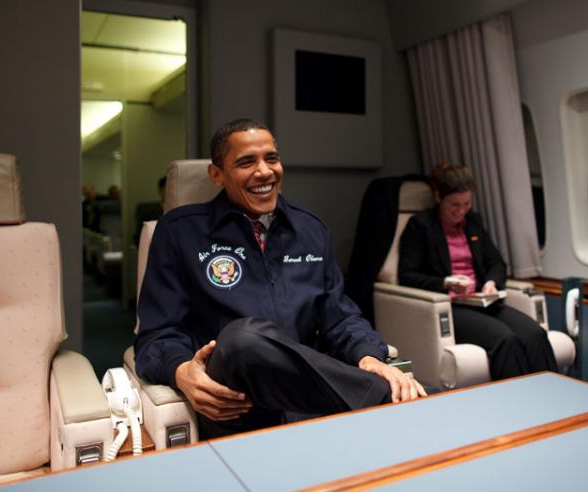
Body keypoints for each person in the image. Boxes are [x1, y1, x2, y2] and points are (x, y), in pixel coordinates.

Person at [135, 118, 426, 439]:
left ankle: (378, 394)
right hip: (234, 402)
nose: (264, 171)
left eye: (271, 158)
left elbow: (340, 317)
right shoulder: (179, 231)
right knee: (241, 337)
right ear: (217, 175)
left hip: (309, 398)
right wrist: (180, 371)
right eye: (246, 162)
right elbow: (157, 334)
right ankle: (385, 397)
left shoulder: (310, 229)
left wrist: (368, 355)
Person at [398, 162, 557, 381]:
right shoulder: (421, 226)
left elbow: (496, 263)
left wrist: (491, 282)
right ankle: (520, 405)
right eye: (455, 204)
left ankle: (552, 396)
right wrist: (446, 282)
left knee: (535, 334)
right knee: (505, 339)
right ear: (438, 197)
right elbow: (407, 275)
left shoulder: (473, 221)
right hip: (451, 305)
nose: (461, 211)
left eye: (466, 203)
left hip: (481, 300)